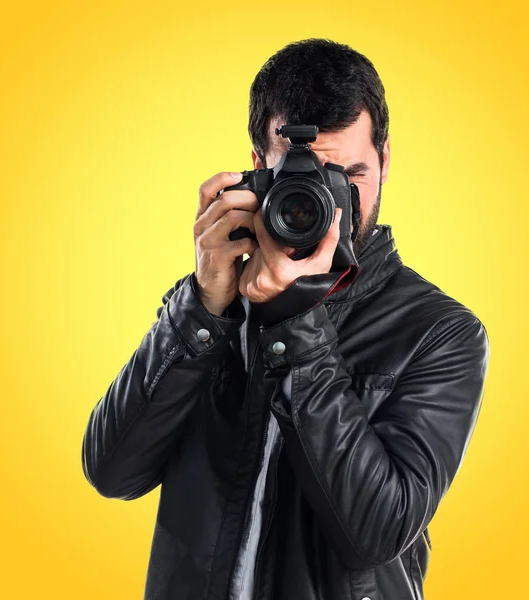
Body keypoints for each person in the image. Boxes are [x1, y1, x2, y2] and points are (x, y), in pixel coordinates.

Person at [81, 38, 490, 600]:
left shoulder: (440, 333)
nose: (331, 206)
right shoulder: (215, 305)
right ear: (258, 171)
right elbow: (112, 472)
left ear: (386, 160)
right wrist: (201, 307)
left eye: (350, 176)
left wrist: (297, 319)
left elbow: (377, 532)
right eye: (304, 183)